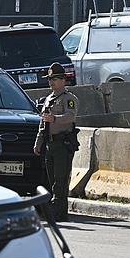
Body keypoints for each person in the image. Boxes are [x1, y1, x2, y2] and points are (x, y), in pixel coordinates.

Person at [34, 62, 79, 222]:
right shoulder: (48, 99)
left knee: (60, 180)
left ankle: (59, 212)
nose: (51, 82)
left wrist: (55, 119)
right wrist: (38, 142)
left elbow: (71, 116)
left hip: (62, 144)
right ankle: (58, 211)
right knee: (52, 179)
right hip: (50, 143)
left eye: (55, 79)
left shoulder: (69, 99)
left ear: (63, 80)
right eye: (50, 79)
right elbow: (42, 123)